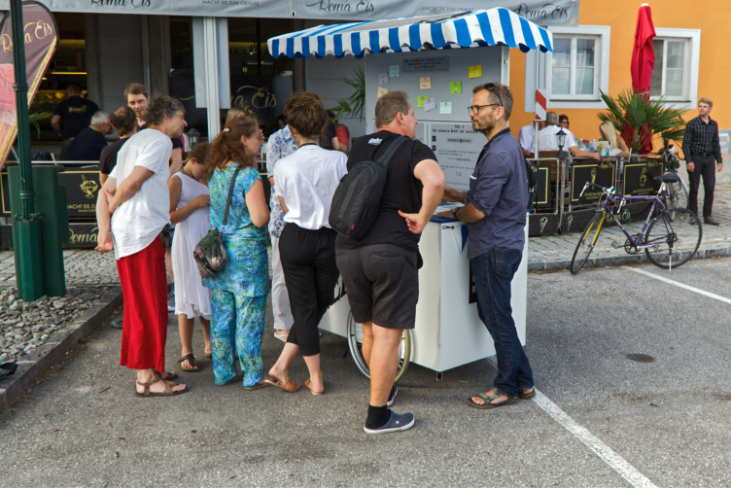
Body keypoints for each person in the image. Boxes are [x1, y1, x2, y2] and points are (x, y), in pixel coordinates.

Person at [336, 91, 444, 434]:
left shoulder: (358, 147)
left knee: (368, 329)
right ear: (399, 117)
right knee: (387, 337)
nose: (415, 121)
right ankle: (378, 416)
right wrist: (423, 217)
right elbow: (435, 180)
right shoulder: (414, 148)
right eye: (412, 115)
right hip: (389, 250)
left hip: (349, 249)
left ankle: (383, 391)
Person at [437, 82, 534, 410]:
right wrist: (454, 195)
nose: (472, 113)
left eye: (478, 108)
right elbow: (490, 196)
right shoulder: (507, 146)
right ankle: (525, 381)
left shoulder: (497, 153)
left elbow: (478, 210)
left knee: (496, 315)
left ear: (499, 110)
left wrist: (453, 212)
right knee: (499, 313)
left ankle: (505, 386)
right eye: (472, 108)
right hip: (505, 243)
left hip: (494, 246)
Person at [95, 95, 189, 397]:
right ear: (167, 115)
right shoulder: (160, 141)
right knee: (149, 306)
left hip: (132, 233)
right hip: (141, 232)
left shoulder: (133, 142)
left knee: (143, 305)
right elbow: (130, 184)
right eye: (182, 117)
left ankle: (149, 369)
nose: (185, 123)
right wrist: (114, 209)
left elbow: (106, 189)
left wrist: (106, 228)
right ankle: (146, 378)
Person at [265, 93, 348, 397]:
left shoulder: (284, 166)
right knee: (317, 304)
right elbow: (345, 201)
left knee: (306, 308)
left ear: (293, 130)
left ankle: (281, 367)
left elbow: (285, 207)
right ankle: (315, 378)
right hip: (329, 238)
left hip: (295, 237)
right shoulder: (340, 160)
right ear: (322, 127)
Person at [203, 117, 270, 388]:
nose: (261, 139)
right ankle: (252, 375)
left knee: (223, 316)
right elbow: (259, 218)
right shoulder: (248, 176)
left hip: (219, 254)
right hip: (246, 257)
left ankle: (223, 372)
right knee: (249, 317)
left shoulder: (215, 172)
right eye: (258, 136)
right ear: (244, 140)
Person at [169, 143, 213, 372]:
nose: (205, 174)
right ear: (193, 160)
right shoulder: (177, 180)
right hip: (186, 239)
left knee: (206, 290)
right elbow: (170, 216)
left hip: (206, 238)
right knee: (187, 292)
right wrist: (195, 203)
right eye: (203, 169)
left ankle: (209, 342)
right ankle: (186, 349)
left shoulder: (206, 177)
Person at [266, 104, 300, 342]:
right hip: (283, 214)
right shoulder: (277, 139)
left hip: (306, 215)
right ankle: (282, 323)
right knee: (280, 272)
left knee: (302, 273)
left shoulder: (311, 138)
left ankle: (301, 323)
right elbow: (272, 178)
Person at [683, 98, 723, 226]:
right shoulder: (692, 124)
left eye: (704, 106)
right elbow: (685, 144)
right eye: (700, 106)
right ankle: (693, 214)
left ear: (710, 108)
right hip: (696, 158)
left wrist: (719, 160)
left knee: (710, 187)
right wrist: (689, 160)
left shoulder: (713, 124)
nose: (702, 108)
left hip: (709, 159)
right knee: (694, 187)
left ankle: (707, 215)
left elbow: (716, 142)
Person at [51, 84, 99, 160]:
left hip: (70, 140)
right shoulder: (90, 104)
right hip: (88, 140)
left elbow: (54, 121)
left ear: (69, 91)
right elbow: (99, 119)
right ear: (80, 92)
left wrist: (60, 131)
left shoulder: (63, 104)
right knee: (89, 165)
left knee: (65, 166)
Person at [533, 111, 599, 160]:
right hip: (563, 171)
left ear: (545, 122)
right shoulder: (566, 132)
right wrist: (593, 155)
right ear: (558, 122)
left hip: (544, 170)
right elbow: (576, 153)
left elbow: (533, 154)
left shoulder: (538, 134)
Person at [99, 106, 138, 186]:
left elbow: (104, 182)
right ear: (136, 122)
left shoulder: (108, 151)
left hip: (118, 195)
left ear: (113, 126)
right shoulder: (147, 146)